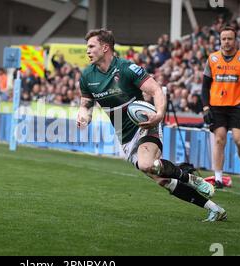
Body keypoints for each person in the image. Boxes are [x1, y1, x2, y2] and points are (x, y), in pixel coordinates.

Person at [77, 29, 226, 222]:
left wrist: (159, 114)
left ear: (105, 48)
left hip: (145, 124)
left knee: (147, 164)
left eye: (91, 46)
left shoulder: (126, 68)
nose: (87, 50)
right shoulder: (87, 76)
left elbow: (156, 90)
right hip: (124, 135)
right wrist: (83, 116)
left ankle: (190, 178)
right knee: (162, 179)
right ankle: (214, 208)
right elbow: (85, 104)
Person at [201, 26, 240, 190]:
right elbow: (205, 87)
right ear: (220, 40)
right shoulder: (212, 59)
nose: (226, 42)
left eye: (230, 38)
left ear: (235, 40)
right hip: (216, 106)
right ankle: (218, 178)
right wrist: (205, 108)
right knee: (219, 139)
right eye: (224, 39)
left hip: (238, 106)